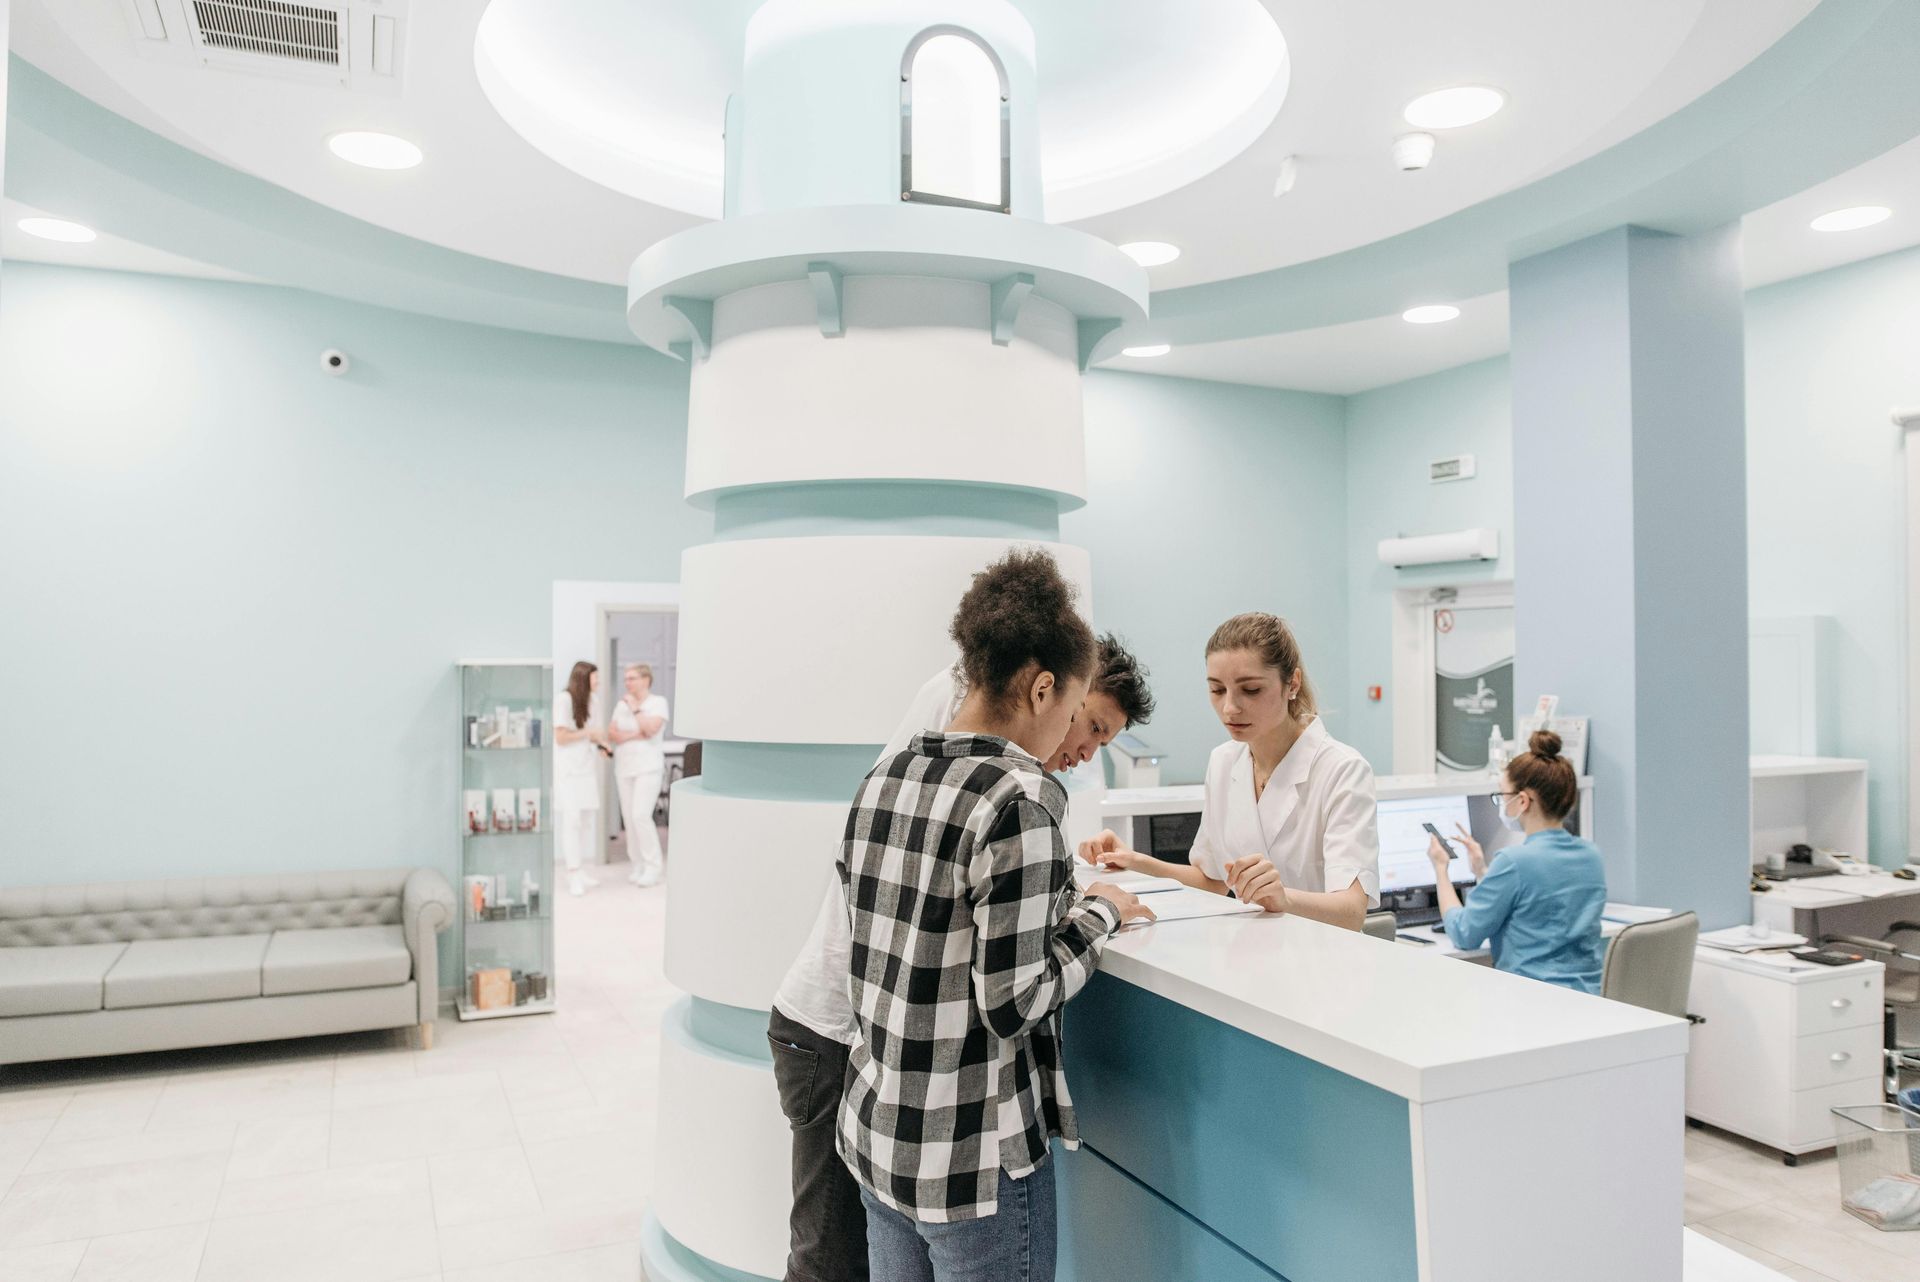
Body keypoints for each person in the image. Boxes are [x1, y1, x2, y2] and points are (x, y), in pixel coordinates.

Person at [767, 628, 1154, 1282]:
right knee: (827, 1267)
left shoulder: (914, 773)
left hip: (878, 1076)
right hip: (840, 1037)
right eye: (1086, 724)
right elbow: (1011, 994)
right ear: (1049, 689)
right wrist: (1097, 914)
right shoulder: (986, 758)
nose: (1083, 752)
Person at [1078, 612, 1379, 930]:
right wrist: (1135, 860)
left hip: (1322, 960)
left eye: (1250, 690)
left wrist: (1285, 899)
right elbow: (1211, 880)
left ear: (1292, 684)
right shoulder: (1223, 762)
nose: (1230, 708)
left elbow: (1351, 911)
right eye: (1217, 690)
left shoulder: (1342, 770)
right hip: (1245, 956)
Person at [1425, 730, 1607, 992]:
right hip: (1585, 1000)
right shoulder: (1591, 855)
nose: (1501, 803)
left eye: (1502, 796)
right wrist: (1482, 871)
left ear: (1522, 801)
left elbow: (1465, 934)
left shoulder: (1514, 862)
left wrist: (1441, 869)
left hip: (1530, 1004)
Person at [607, 663, 670, 887]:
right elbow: (613, 733)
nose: (627, 683)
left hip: (648, 768)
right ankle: (637, 864)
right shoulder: (620, 705)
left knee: (640, 816)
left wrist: (635, 710)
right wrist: (637, 732)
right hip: (624, 768)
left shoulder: (658, 703)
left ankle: (653, 866)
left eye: (632, 678)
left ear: (646, 679)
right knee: (629, 819)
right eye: (626, 679)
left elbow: (652, 729)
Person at [553, 661, 609, 897]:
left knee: (585, 821)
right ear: (582, 679)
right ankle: (573, 872)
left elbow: (593, 735)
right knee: (572, 820)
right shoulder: (563, 700)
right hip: (567, 771)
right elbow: (561, 737)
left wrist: (602, 746)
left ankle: (582, 869)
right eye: (594, 679)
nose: (597, 683)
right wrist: (590, 734)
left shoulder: (593, 701)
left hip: (586, 769)